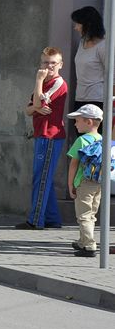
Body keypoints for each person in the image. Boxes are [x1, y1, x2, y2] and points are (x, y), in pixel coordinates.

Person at [16, 47, 67, 231]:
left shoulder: (58, 83)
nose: (49, 66)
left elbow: (36, 104)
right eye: (45, 62)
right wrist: (36, 107)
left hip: (51, 136)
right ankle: (53, 219)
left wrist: (37, 80)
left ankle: (36, 220)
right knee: (46, 178)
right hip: (42, 134)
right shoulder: (44, 83)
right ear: (40, 64)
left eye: (53, 63)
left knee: (41, 178)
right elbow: (29, 109)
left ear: (60, 65)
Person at [66, 104, 105, 257]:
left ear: (89, 122)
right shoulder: (103, 139)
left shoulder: (81, 141)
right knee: (91, 214)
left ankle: (89, 246)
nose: (75, 124)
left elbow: (73, 165)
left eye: (77, 120)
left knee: (83, 215)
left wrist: (70, 185)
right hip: (98, 183)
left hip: (83, 182)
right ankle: (83, 240)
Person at [70, 6, 106, 111]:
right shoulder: (82, 43)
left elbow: (112, 74)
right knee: (79, 127)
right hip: (80, 99)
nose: (75, 28)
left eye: (78, 24)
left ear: (88, 24)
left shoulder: (103, 46)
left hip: (97, 101)